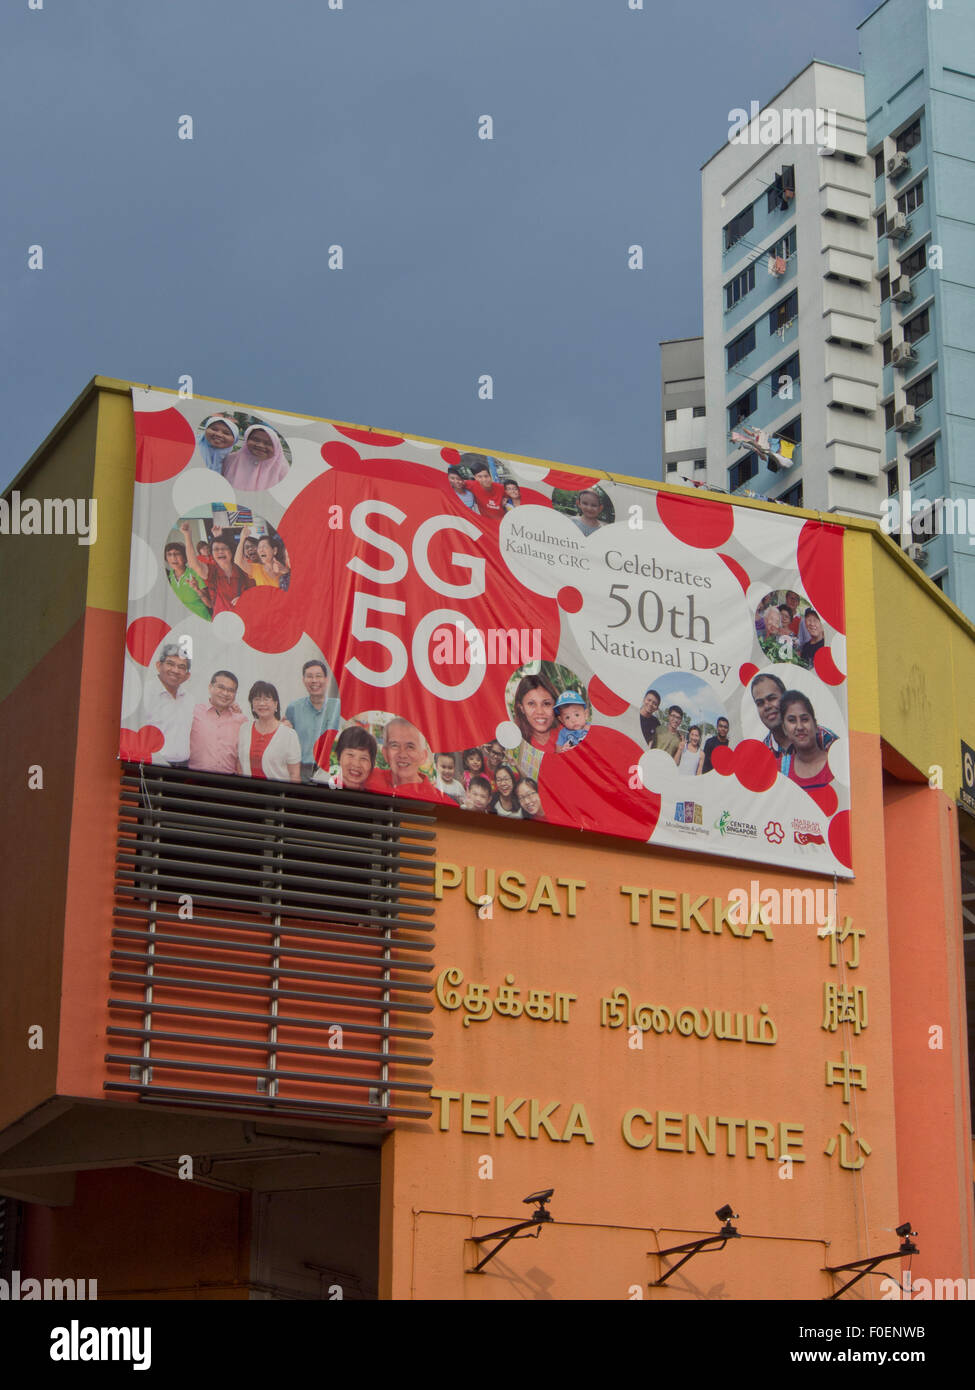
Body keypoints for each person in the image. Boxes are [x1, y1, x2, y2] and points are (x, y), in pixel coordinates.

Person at [751, 673, 836, 761]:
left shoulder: (823, 738)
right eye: (760, 703)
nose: (767, 706)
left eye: (772, 698)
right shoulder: (762, 757)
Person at [284, 659, 341, 782]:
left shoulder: (338, 707)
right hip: (301, 771)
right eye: (309, 676)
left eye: (318, 676)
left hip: (330, 771)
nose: (314, 680)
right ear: (303, 680)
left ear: (326, 680)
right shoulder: (294, 708)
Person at [183, 524, 254, 615]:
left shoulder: (242, 569)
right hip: (221, 620)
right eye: (215, 549)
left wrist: (245, 599)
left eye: (224, 548)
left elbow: (255, 593)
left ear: (231, 551)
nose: (220, 551)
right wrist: (187, 535)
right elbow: (193, 564)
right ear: (212, 553)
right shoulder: (211, 571)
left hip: (245, 617)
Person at [237, 681, 301, 782]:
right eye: (257, 699)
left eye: (266, 699)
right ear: (252, 705)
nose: (262, 703)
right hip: (248, 792)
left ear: (276, 704)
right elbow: (240, 765)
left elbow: (295, 774)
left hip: (276, 794)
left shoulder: (289, 735)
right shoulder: (244, 729)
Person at [144, 643, 195, 766]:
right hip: (154, 766)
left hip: (183, 768)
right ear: (158, 665)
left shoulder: (189, 699)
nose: (175, 670)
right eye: (170, 664)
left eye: (181, 667)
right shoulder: (145, 694)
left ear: (187, 675)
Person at [189, 670, 246, 773]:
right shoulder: (193, 712)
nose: (225, 693)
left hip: (229, 782)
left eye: (231, 690)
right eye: (221, 687)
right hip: (195, 779)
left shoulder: (241, 720)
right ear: (210, 687)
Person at [778, 691, 835, 791]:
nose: (799, 727)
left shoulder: (836, 765)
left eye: (804, 719)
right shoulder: (778, 771)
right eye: (792, 720)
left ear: (816, 725)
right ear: (784, 729)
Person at [512, 673, 560, 779]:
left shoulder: (571, 735)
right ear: (521, 708)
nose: (539, 711)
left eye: (546, 704)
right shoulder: (515, 747)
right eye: (531, 704)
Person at [222, 423, 289, 491]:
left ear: (276, 446)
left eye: (268, 443)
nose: (260, 445)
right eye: (255, 440)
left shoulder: (282, 468)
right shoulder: (231, 459)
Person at [314, 725, 379, 791]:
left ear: (372, 764)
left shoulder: (376, 791)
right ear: (339, 756)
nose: (356, 764)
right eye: (350, 755)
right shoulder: (323, 781)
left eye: (363, 758)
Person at [164, 537, 212, 621]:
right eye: (169, 554)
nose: (173, 557)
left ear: (185, 557)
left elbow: (209, 604)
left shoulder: (194, 574)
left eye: (177, 554)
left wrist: (197, 589)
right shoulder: (167, 577)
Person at [465, 455, 506, 523]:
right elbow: (456, 482)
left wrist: (506, 499)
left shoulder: (500, 487)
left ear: (490, 476)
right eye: (480, 477)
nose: (484, 479)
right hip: (487, 523)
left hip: (502, 521)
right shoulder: (472, 485)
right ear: (475, 478)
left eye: (486, 476)